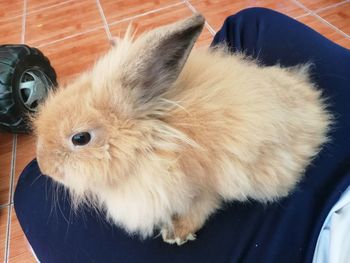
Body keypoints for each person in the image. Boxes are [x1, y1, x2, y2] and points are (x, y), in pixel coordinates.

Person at [14, 8, 350, 263]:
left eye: (80, 139)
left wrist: (191, 212)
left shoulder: (166, 170)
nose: (49, 165)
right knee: (251, 22)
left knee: (30, 192)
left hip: (322, 224)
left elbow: (194, 186)